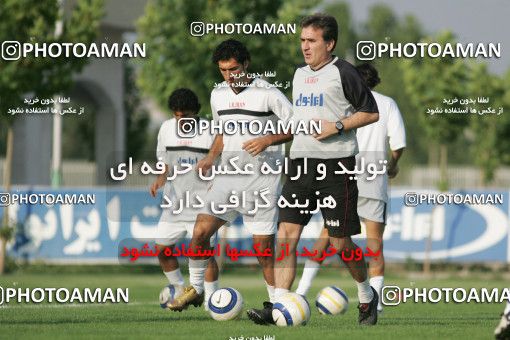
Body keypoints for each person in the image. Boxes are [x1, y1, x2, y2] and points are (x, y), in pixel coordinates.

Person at [247, 13, 380, 326]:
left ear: (329, 43)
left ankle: (366, 295)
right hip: (300, 164)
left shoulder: (344, 72)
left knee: (340, 243)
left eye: (311, 41)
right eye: (302, 41)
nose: (305, 47)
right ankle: (279, 305)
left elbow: (370, 112)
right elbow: (298, 122)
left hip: (336, 167)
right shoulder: (298, 74)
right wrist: (270, 137)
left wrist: (336, 125)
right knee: (286, 235)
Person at [167, 39, 293, 311]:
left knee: (263, 251)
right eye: (223, 70)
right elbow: (223, 133)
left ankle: (278, 305)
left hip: (262, 180)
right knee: (200, 231)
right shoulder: (218, 94)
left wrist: (268, 140)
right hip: (228, 176)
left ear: (246, 64)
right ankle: (197, 289)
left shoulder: (268, 93)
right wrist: (211, 158)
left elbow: (299, 126)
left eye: (234, 69)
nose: (229, 75)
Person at [295, 63, 406, 315]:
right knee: (374, 245)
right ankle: (374, 305)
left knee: (327, 237)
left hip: (342, 175)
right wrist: (394, 164)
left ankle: (301, 292)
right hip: (374, 179)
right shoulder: (387, 104)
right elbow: (398, 143)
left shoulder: (340, 100)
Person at [150, 88, 219, 311]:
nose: (181, 119)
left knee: (204, 254)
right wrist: (160, 179)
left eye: (186, 115)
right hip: (175, 204)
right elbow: (165, 161)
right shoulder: (166, 129)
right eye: (177, 115)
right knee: (162, 248)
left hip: (204, 204)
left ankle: (212, 301)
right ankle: (181, 290)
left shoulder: (210, 131)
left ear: (196, 112)